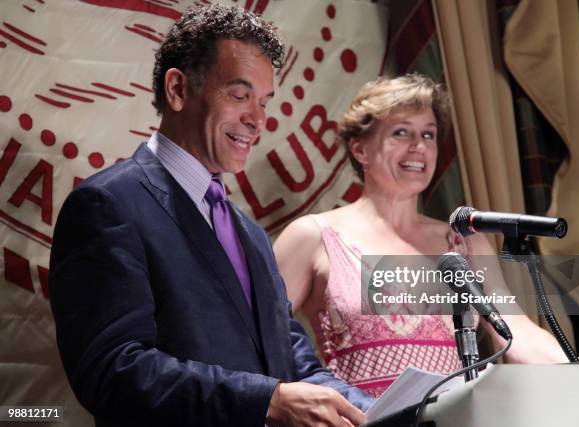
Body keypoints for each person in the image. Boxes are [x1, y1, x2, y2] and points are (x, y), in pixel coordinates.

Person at [49, 5, 372, 427]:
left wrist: (398, 410)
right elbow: (113, 371)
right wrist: (268, 401)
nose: (257, 120)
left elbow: (295, 364)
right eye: (239, 96)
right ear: (179, 89)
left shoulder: (250, 234)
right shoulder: (108, 205)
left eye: (264, 101)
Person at [273, 74, 567, 397]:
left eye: (429, 134)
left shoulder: (464, 243)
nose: (419, 146)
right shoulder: (312, 236)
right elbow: (261, 338)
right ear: (359, 149)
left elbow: (517, 334)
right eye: (401, 132)